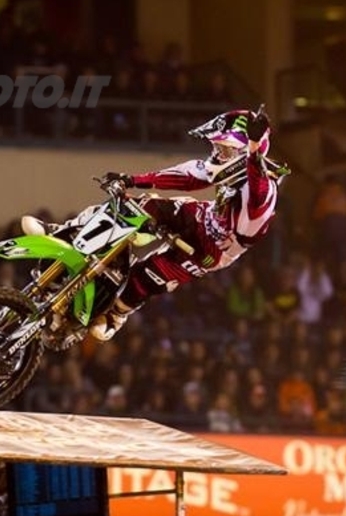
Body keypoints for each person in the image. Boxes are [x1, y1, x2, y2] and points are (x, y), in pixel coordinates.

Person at [25, 106, 288, 344]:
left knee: (149, 274)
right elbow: (188, 176)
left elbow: (257, 187)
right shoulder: (227, 168)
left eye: (225, 149)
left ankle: (116, 315)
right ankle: (66, 232)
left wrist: (254, 148)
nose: (218, 154)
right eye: (217, 147)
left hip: (212, 250)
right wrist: (131, 180)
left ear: (244, 152)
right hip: (202, 216)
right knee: (137, 206)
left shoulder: (264, 189)